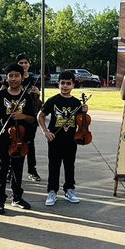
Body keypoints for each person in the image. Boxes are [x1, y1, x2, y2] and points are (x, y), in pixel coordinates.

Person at [0, 63, 40, 214]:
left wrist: (23, 116)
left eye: (16, 75)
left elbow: (33, 119)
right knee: (2, 170)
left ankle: (17, 197)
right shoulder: (0, 95)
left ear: (21, 77)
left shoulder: (26, 96)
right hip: (4, 138)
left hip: (20, 139)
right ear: (7, 78)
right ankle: (0, 200)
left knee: (18, 169)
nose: (13, 78)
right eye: (10, 75)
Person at [39, 70, 84, 205]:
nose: (65, 86)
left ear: (73, 85)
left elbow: (83, 121)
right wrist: (45, 131)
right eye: (62, 83)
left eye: (68, 83)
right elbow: (40, 116)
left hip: (71, 139)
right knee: (54, 165)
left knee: (70, 165)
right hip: (55, 139)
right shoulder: (53, 101)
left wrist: (85, 111)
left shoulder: (77, 103)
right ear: (58, 84)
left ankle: (69, 190)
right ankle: (52, 192)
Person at [16, 54, 43, 182]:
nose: (23, 65)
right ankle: (12, 171)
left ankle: (32, 171)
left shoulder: (33, 80)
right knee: (14, 143)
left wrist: (38, 94)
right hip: (16, 115)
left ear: (29, 64)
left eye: (25, 62)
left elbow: (39, 102)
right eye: (20, 63)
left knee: (30, 144)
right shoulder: (14, 78)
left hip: (30, 116)